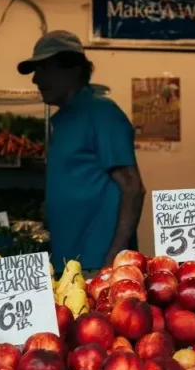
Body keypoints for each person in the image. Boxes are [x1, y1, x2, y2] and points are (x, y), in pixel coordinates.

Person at [18, 30, 145, 275]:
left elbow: (133, 187)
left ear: (73, 68)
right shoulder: (65, 119)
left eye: (43, 69)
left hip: (96, 264)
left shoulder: (101, 113)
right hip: (69, 260)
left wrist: (113, 260)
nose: (35, 80)